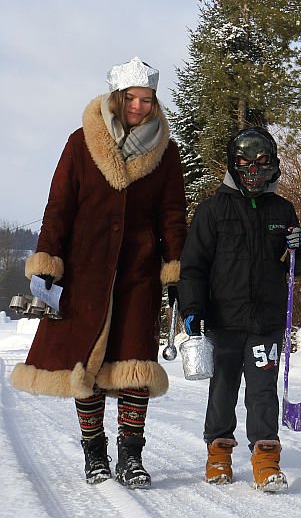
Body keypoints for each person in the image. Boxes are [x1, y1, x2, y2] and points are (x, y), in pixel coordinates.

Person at [10, 57, 188, 489]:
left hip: (138, 272)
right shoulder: (80, 142)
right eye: (133, 99)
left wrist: (175, 268)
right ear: (117, 98)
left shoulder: (166, 151)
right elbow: (59, 206)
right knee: (85, 364)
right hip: (85, 270)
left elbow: (171, 213)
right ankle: (94, 453)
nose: (141, 107)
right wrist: (49, 258)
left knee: (135, 364)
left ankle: (131, 455)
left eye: (148, 100)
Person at [178, 126, 301, 493]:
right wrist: (191, 309)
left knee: (262, 389)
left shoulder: (282, 210)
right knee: (223, 388)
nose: (253, 170)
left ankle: (266, 456)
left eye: (261, 163)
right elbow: (192, 267)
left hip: (265, 321)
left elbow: (297, 265)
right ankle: (218, 452)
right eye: (244, 164)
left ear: (272, 166)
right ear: (232, 166)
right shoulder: (212, 211)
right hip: (222, 321)